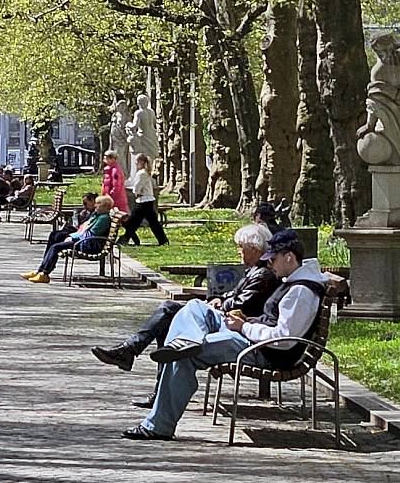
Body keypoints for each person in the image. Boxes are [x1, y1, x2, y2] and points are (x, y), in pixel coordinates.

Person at [124, 234, 329, 441]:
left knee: (180, 356)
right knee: (196, 307)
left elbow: (283, 340)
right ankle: (188, 341)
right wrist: (248, 321)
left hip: (264, 352)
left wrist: (245, 327)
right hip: (255, 341)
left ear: (289, 257)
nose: (269, 263)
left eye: (272, 259)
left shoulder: (300, 291)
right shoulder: (294, 283)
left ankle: (158, 426)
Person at [90, 224, 294, 370]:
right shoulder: (255, 270)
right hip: (228, 317)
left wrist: (221, 302)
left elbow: (244, 303)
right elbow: (235, 295)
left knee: (169, 309)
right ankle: (135, 358)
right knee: (166, 323)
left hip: (233, 323)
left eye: (241, 247)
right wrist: (221, 299)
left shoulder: (264, 274)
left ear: (254, 249)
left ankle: (130, 350)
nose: (238, 251)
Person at [25, 195, 111, 282]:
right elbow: (84, 231)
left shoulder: (103, 219)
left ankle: (44, 273)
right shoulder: (97, 216)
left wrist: (72, 238)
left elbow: (89, 234)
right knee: (55, 243)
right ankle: (41, 271)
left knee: (56, 247)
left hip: (89, 245)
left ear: (104, 206)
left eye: (98, 204)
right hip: (84, 242)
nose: (95, 206)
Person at [120, 155, 168, 245]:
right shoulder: (145, 172)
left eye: (137, 162)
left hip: (143, 200)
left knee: (132, 222)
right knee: (149, 222)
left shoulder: (141, 173)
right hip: (147, 200)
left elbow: (137, 187)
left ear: (142, 162)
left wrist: (135, 192)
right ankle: (163, 240)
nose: (135, 163)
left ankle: (125, 238)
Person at [101, 152, 128, 226]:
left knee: (120, 218)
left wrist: (110, 197)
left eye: (107, 157)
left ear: (113, 159)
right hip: (108, 198)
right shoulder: (108, 170)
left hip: (116, 199)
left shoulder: (115, 170)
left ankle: (128, 234)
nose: (105, 159)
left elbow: (116, 186)